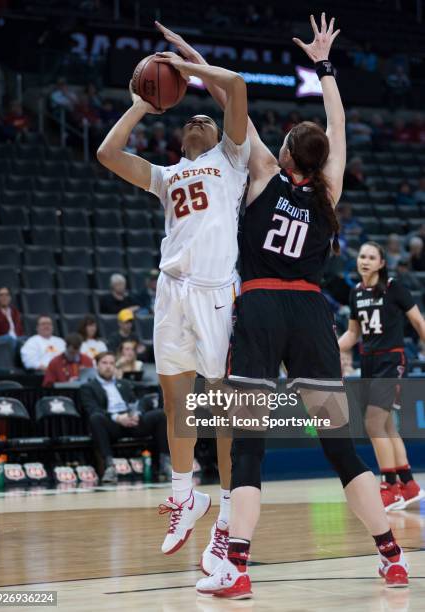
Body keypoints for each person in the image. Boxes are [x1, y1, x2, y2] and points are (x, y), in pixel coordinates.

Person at [168, 13, 410, 597]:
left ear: (284, 153)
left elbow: (233, 100)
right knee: (338, 444)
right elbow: (339, 119)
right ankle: (393, 556)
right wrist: (324, 66)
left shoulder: (262, 172)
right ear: (320, 159)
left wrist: (189, 59)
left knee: (247, 441)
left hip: (260, 309)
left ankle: (238, 567)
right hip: (310, 315)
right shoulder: (329, 190)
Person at [97, 34, 249, 570]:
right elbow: (107, 154)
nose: (197, 122)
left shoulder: (233, 161)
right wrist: (142, 102)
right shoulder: (166, 177)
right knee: (176, 401)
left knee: (224, 406)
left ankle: (229, 512)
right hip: (170, 290)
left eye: (204, 120)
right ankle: (186, 495)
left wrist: (184, 66)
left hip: (214, 294)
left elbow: (237, 87)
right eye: (189, 121)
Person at [338, 242, 425, 511]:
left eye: (371, 257)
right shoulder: (355, 293)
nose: (364, 260)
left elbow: (419, 322)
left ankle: (390, 486)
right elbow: (353, 334)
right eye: (362, 256)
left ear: (381, 263)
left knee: (373, 424)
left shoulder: (394, 288)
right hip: (369, 361)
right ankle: (409, 485)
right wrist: (328, 350)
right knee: (386, 426)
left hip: (392, 359)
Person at [79, 351, 169, 483]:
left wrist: (136, 414)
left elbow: (134, 403)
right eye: (104, 363)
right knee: (96, 418)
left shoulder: (124, 384)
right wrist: (117, 418)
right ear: (96, 366)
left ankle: (165, 463)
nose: (108, 366)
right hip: (111, 424)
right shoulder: (88, 387)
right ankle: (110, 467)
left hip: (131, 420)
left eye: (111, 363)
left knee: (160, 414)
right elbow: (92, 409)